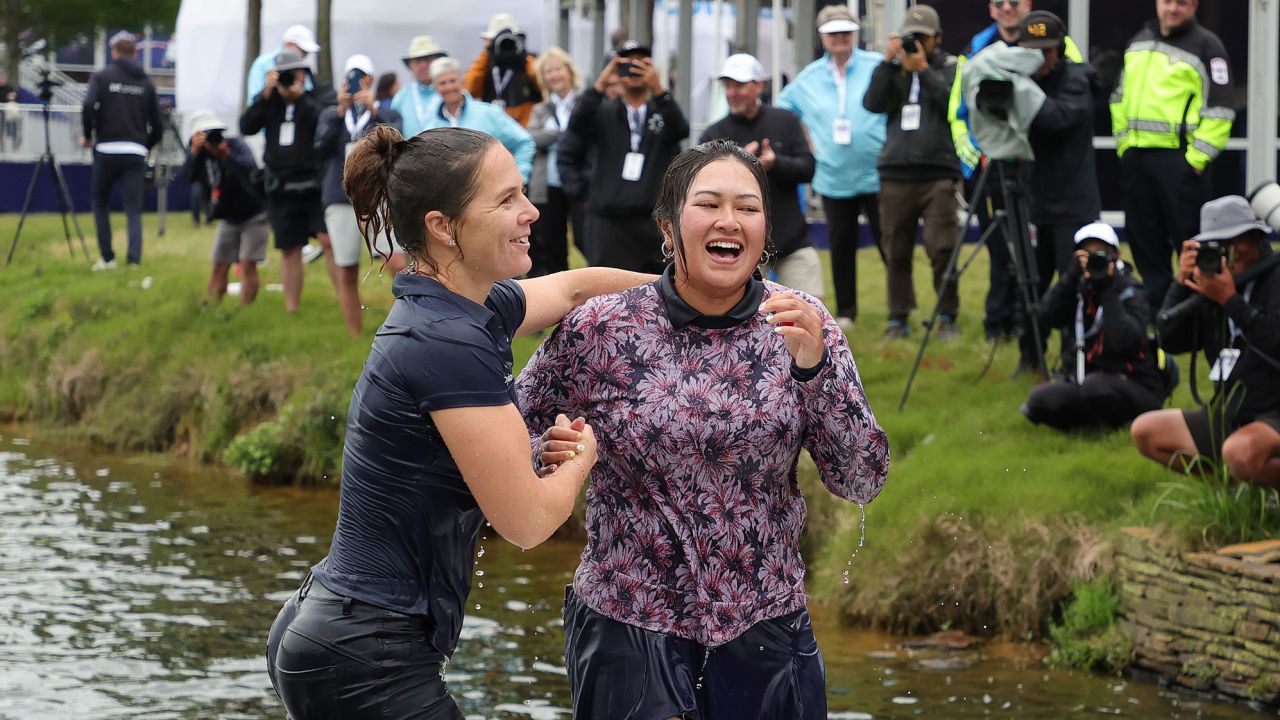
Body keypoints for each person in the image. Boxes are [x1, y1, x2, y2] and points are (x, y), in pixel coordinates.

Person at [264, 126, 657, 718]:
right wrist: (582, 459)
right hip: (365, 656)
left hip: (341, 631)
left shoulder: (461, 306)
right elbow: (526, 521)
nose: (530, 212)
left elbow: (577, 289)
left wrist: (697, 298)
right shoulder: (445, 341)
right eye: (505, 201)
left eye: (523, 193)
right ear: (442, 227)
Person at [517, 139, 889, 719]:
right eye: (708, 204)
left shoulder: (804, 324)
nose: (729, 221)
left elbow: (862, 479)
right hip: (628, 619)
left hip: (764, 621)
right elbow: (506, 437)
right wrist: (547, 449)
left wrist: (815, 372)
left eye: (747, 207)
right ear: (668, 226)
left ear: (766, 229)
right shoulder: (602, 327)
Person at [948, 0, 1082, 343]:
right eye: (999, 2)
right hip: (990, 161)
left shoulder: (1054, 41)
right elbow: (960, 107)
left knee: (1031, 252)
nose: (1007, 7)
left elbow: (1068, 96)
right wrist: (973, 153)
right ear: (991, 9)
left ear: (1028, 6)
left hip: (1037, 165)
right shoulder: (977, 49)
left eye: (1014, 1)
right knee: (998, 249)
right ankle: (998, 322)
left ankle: (1031, 331)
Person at [1133, 196, 1280, 489]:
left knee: (1238, 453)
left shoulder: (1275, 276)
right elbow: (1170, 339)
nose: (1230, 253)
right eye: (1219, 247)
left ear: (1255, 238)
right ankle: (1236, 493)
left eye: (1236, 242)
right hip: (1231, 409)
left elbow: (1275, 341)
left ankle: (1266, 493)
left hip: (1274, 411)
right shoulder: (1212, 284)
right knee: (1146, 431)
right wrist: (1180, 282)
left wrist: (1231, 300)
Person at [1111, 0, 1233, 310]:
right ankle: (1159, 321)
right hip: (1137, 160)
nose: (1173, 8)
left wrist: (1195, 161)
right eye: (1168, 1)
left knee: (1192, 247)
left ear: (1195, 5)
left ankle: (1199, 319)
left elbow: (1220, 110)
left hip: (1179, 163)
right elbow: (1118, 98)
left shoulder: (1208, 45)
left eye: (1182, 2)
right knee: (1144, 245)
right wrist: (1124, 146)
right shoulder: (1138, 41)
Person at [777, 6, 885, 329]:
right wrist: (804, 139)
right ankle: (848, 312)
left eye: (845, 31)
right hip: (833, 176)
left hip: (878, 173)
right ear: (823, 37)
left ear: (855, 34)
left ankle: (899, 313)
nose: (840, 37)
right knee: (841, 246)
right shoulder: (808, 77)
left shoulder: (876, 65)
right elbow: (783, 111)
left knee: (891, 244)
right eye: (833, 32)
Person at [863, 5, 962, 339]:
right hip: (895, 173)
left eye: (921, 38)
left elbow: (954, 104)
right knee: (896, 250)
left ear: (937, 38)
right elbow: (872, 103)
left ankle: (947, 316)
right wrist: (886, 63)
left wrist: (923, 70)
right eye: (910, 37)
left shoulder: (951, 67)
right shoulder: (895, 70)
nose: (915, 44)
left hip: (937, 173)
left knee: (942, 248)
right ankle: (897, 318)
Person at [1018, 10, 1103, 369]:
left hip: (1073, 204)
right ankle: (1030, 356)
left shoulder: (1079, 79)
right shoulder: (1018, 78)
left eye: (1047, 50)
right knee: (1028, 285)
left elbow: (1058, 120)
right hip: (1033, 199)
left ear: (1060, 49)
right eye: (1031, 51)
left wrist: (1020, 91)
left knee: (1075, 284)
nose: (1040, 58)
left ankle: (1074, 356)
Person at [1022, 223, 1166, 431]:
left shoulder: (1131, 289)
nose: (1093, 260)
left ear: (1116, 255)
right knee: (1040, 399)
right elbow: (1045, 317)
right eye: (1085, 255)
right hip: (1083, 379)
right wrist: (1070, 277)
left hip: (1133, 381)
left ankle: (1111, 421)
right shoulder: (1079, 287)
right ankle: (1090, 423)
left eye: (1100, 253)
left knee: (1096, 387)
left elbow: (1124, 341)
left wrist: (1107, 292)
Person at [702, 53, 821, 300]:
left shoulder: (785, 120)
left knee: (811, 309)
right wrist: (740, 167)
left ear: (759, 85)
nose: (733, 92)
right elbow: (702, 184)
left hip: (791, 238)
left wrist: (775, 163)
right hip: (737, 243)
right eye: (728, 86)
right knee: (742, 318)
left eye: (740, 85)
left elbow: (808, 168)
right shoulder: (713, 134)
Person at [569, 40, 689, 273]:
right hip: (608, 220)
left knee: (655, 290)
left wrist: (658, 89)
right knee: (607, 292)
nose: (634, 71)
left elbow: (680, 130)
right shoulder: (605, 111)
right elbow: (577, 124)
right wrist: (601, 83)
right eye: (627, 65)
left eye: (642, 64)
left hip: (652, 219)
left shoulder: (661, 111)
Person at [315, 54, 406, 336]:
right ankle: (354, 333)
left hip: (380, 193)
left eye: (362, 77)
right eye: (351, 77)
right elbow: (319, 149)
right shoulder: (331, 115)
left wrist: (374, 111)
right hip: (340, 196)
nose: (356, 83)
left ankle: (408, 322)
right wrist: (341, 113)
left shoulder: (386, 114)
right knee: (347, 266)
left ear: (371, 80)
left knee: (397, 262)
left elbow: (398, 142)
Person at [239, 50, 328, 314]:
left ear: (304, 74)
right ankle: (292, 310)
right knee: (289, 247)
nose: (292, 78)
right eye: (286, 74)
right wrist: (265, 96)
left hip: (312, 182)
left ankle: (346, 300)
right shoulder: (269, 101)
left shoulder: (313, 99)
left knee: (328, 240)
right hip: (280, 184)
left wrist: (300, 99)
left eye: (297, 72)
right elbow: (247, 126)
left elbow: (323, 123)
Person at [81, 30, 162, 271]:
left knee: (100, 203)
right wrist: (145, 145)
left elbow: (87, 105)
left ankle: (107, 258)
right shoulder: (146, 82)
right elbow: (157, 123)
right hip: (135, 151)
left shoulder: (102, 76)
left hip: (106, 148)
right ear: (135, 53)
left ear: (114, 52)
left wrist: (89, 134)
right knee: (133, 209)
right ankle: (134, 261)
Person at [183, 109, 269, 305]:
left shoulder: (235, 145)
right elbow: (187, 178)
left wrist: (226, 156)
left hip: (254, 214)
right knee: (219, 266)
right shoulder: (201, 155)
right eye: (206, 135)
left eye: (215, 132)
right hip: (228, 218)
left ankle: (244, 313)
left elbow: (250, 171)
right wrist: (195, 154)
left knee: (247, 266)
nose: (213, 139)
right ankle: (213, 310)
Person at [421, 57, 534, 183]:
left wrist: (519, 180)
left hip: (491, 193)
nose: (448, 87)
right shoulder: (430, 127)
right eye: (442, 83)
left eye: (453, 81)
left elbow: (524, 142)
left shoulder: (488, 113)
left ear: (462, 81)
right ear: (435, 87)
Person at [527, 46, 584, 277]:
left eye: (558, 69)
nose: (554, 75)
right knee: (551, 242)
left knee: (583, 238)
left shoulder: (584, 103)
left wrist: (552, 134)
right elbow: (530, 138)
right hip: (547, 185)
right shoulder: (541, 109)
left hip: (578, 181)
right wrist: (561, 133)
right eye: (549, 71)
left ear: (569, 71)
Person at [465, 13, 542, 126]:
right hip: (492, 124)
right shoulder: (485, 63)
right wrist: (488, 52)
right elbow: (471, 88)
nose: (505, 45)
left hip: (525, 125)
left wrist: (523, 55)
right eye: (497, 40)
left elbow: (542, 84)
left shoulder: (528, 61)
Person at [391, 35, 448, 137]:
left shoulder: (452, 91)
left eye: (428, 59)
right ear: (411, 66)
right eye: (418, 60)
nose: (423, 65)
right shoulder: (401, 97)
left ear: (438, 61)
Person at [246, 24, 319, 103]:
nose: (305, 56)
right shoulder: (262, 64)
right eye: (303, 51)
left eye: (307, 52)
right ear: (289, 44)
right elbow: (253, 100)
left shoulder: (302, 69)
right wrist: (267, 90)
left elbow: (311, 92)